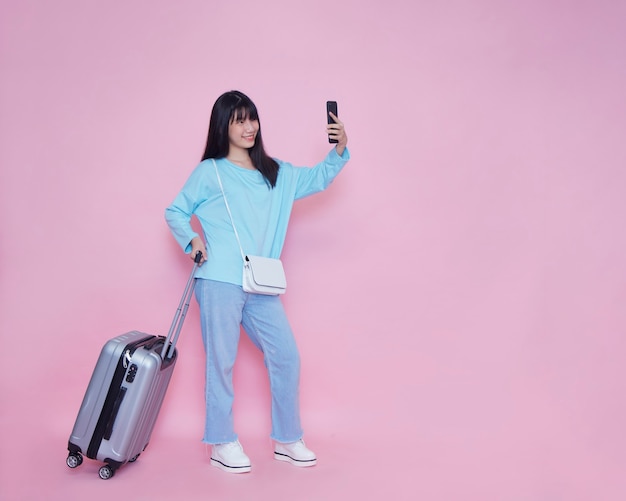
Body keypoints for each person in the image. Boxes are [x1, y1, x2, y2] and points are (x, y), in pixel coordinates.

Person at [165, 90, 349, 474]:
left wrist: (339, 150)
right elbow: (176, 210)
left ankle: (287, 438)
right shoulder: (210, 171)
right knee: (222, 362)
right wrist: (192, 239)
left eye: (253, 118)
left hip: (260, 283)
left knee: (286, 356)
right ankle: (220, 441)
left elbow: (317, 178)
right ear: (224, 126)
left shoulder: (275, 172)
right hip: (218, 281)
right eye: (239, 120)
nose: (249, 127)